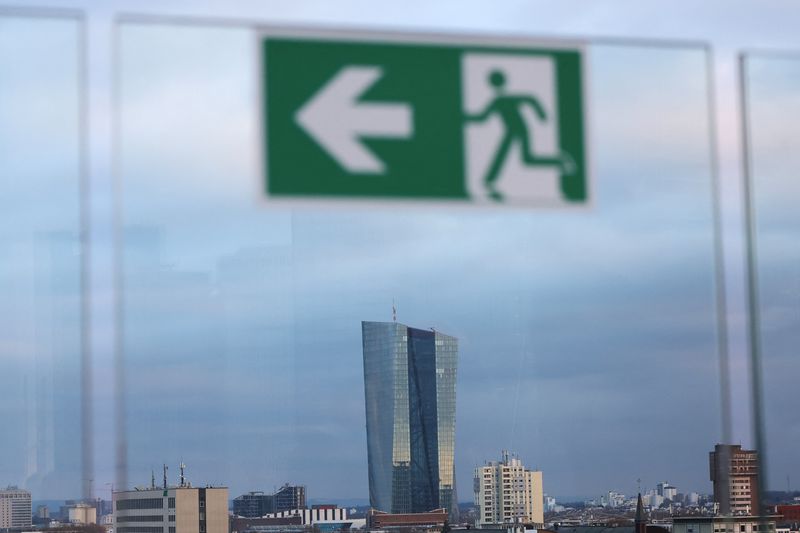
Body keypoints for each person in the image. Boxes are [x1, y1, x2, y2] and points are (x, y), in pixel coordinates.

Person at [466, 69, 575, 201]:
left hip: (520, 130)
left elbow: (530, 99)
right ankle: (559, 160)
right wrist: (463, 117)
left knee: (521, 158)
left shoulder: (505, 99)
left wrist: (541, 115)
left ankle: (560, 160)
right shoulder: (497, 101)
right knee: (526, 159)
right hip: (512, 130)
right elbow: (481, 118)